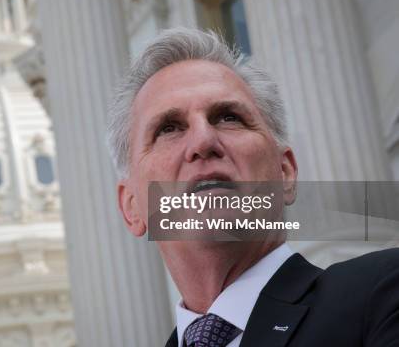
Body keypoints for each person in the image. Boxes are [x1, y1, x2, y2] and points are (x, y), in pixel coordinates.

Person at [106, 28, 399, 347]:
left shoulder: (383, 293)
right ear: (132, 206)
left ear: (285, 172)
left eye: (228, 118)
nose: (203, 141)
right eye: (169, 128)